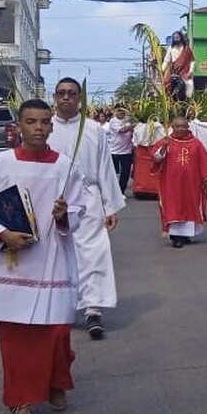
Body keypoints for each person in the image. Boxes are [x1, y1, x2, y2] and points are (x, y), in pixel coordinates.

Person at [0, 98, 87, 414]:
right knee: (17, 337)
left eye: (44, 122)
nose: (38, 128)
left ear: (51, 126)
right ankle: (20, 405)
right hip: (13, 261)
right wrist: (2, 233)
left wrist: (65, 215)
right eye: (31, 121)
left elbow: (79, 208)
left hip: (52, 260)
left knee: (56, 332)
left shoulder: (65, 166)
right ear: (18, 126)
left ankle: (55, 380)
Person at [47, 77, 125, 340]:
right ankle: (64, 307)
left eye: (72, 93)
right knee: (58, 255)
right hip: (55, 199)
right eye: (61, 93)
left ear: (79, 98)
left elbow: (105, 168)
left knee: (94, 252)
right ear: (55, 97)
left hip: (89, 198)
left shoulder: (94, 129)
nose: (66, 98)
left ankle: (93, 310)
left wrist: (110, 206)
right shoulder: (44, 128)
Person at [152, 115, 207, 248]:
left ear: (188, 127)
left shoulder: (196, 143)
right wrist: (163, 148)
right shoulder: (167, 141)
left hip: (191, 183)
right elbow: (156, 158)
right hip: (171, 182)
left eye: (183, 126)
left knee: (189, 205)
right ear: (172, 127)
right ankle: (176, 236)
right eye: (177, 126)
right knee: (174, 206)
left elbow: (204, 160)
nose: (180, 129)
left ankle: (186, 234)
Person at [106, 106, 136, 194]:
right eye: (119, 111)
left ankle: (121, 191)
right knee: (115, 173)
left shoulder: (128, 120)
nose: (121, 113)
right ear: (115, 112)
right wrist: (133, 125)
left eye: (123, 111)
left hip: (127, 151)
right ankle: (112, 191)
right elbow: (122, 130)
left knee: (126, 173)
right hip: (114, 151)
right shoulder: (113, 121)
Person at [161, 30, 194, 101]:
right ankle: (168, 100)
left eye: (177, 37)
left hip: (184, 71)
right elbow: (166, 60)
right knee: (165, 83)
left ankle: (188, 101)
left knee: (189, 84)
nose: (176, 39)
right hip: (174, 71)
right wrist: (162, 69)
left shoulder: (186, 49)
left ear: (181, 38)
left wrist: (190, 72)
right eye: (175, 38)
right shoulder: (170, 48)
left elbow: (192, 61)